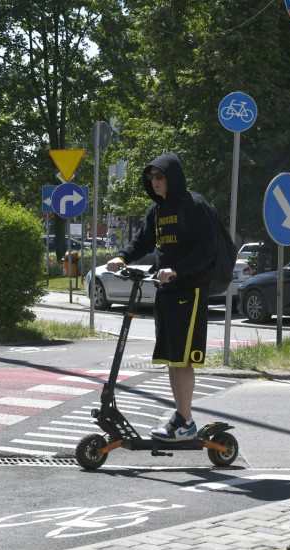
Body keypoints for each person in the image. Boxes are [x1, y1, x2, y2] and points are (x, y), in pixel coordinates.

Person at [105, 151, 217, 440]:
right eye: (150, 177)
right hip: (165, 290)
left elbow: (207, 250)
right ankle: (180, 417)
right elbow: (142, 241)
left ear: (172, 177)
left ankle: (186, 422)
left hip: (189, 290)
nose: (154, 181)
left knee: (183, 359)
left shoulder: (194, 206)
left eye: (159, 176)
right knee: (171, 358)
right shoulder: (157, 211)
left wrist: (177, 270)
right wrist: (121, 256)